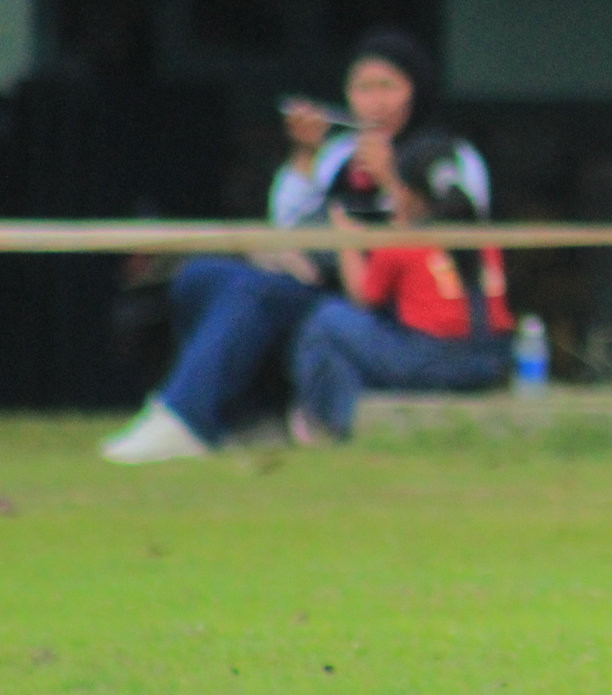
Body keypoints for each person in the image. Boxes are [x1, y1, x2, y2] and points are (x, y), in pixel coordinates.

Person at [100, 29, 492, 463]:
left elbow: (459, 234)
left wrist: (390, 180)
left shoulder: (448, 155)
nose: (374, 102)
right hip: (322, 285)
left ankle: (186, 419)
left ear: (416, 91)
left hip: (392, 310)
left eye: (388, 86)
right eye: (362, 88)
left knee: (252, 294)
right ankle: (222, 412)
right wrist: (305, 155)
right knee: (202, 276)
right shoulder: (340, 155)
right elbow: (291, 222)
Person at [286, 130, 513, 444]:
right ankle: (340, 427)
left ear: (407, 192)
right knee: (337, 349)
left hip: (434, 360)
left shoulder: (404, 238)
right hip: (490, 359)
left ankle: (331, 424)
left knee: (326, 319)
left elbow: (363, 297)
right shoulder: (483, 237)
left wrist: (347, 240)